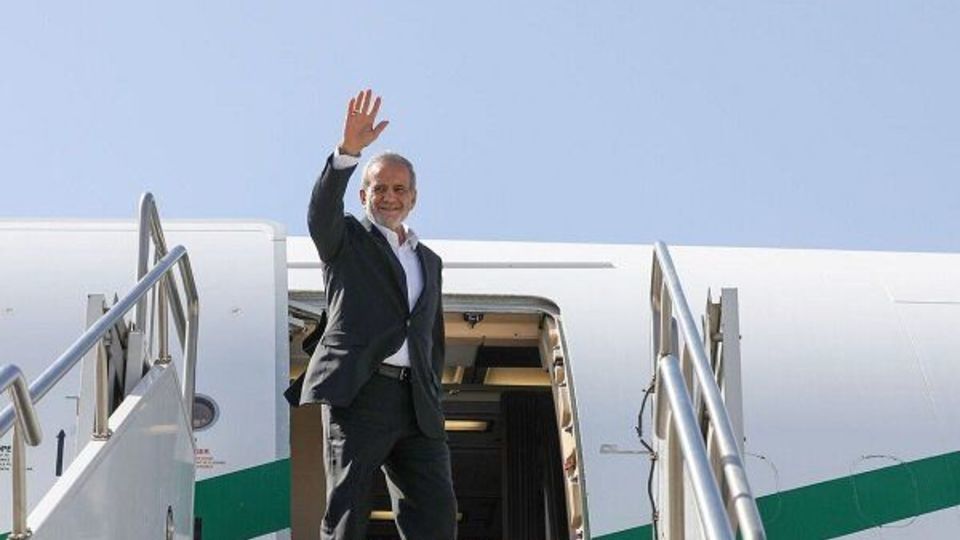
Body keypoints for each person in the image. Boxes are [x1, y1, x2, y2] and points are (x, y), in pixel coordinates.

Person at [299, 89, 457, 540]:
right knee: (348, 514)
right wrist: (347, 153)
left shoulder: (428, 261)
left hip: (418, 404)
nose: (390, 197)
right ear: (364, 194)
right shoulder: (346, 241)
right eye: (380, 188)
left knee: (436, 517)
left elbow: (430, 339)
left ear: (413, 197)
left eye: (399, 189)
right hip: (361, 393)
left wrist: (430, 390)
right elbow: (320, 213)